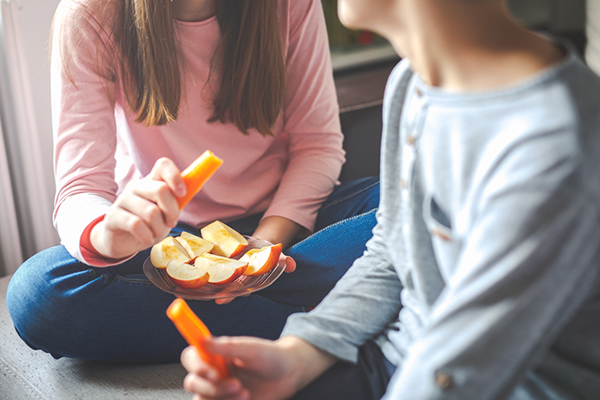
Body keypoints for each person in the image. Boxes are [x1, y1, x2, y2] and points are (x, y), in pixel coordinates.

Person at [179, 0, 600, 399]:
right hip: (403, 357)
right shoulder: (413, 81)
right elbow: (392, 253)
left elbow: (458, 371)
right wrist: (300, 353)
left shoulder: (553, 145)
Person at [5, 0, 380, 364]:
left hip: (282, 225)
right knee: (37, 293)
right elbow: (80, 189)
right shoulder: (89, 15)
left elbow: (318, 145)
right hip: (170, 241)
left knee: (417, 207)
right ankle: (321, 318)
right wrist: (108, 235)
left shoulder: (289, 5)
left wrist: (261, 251)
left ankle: (294, 313)